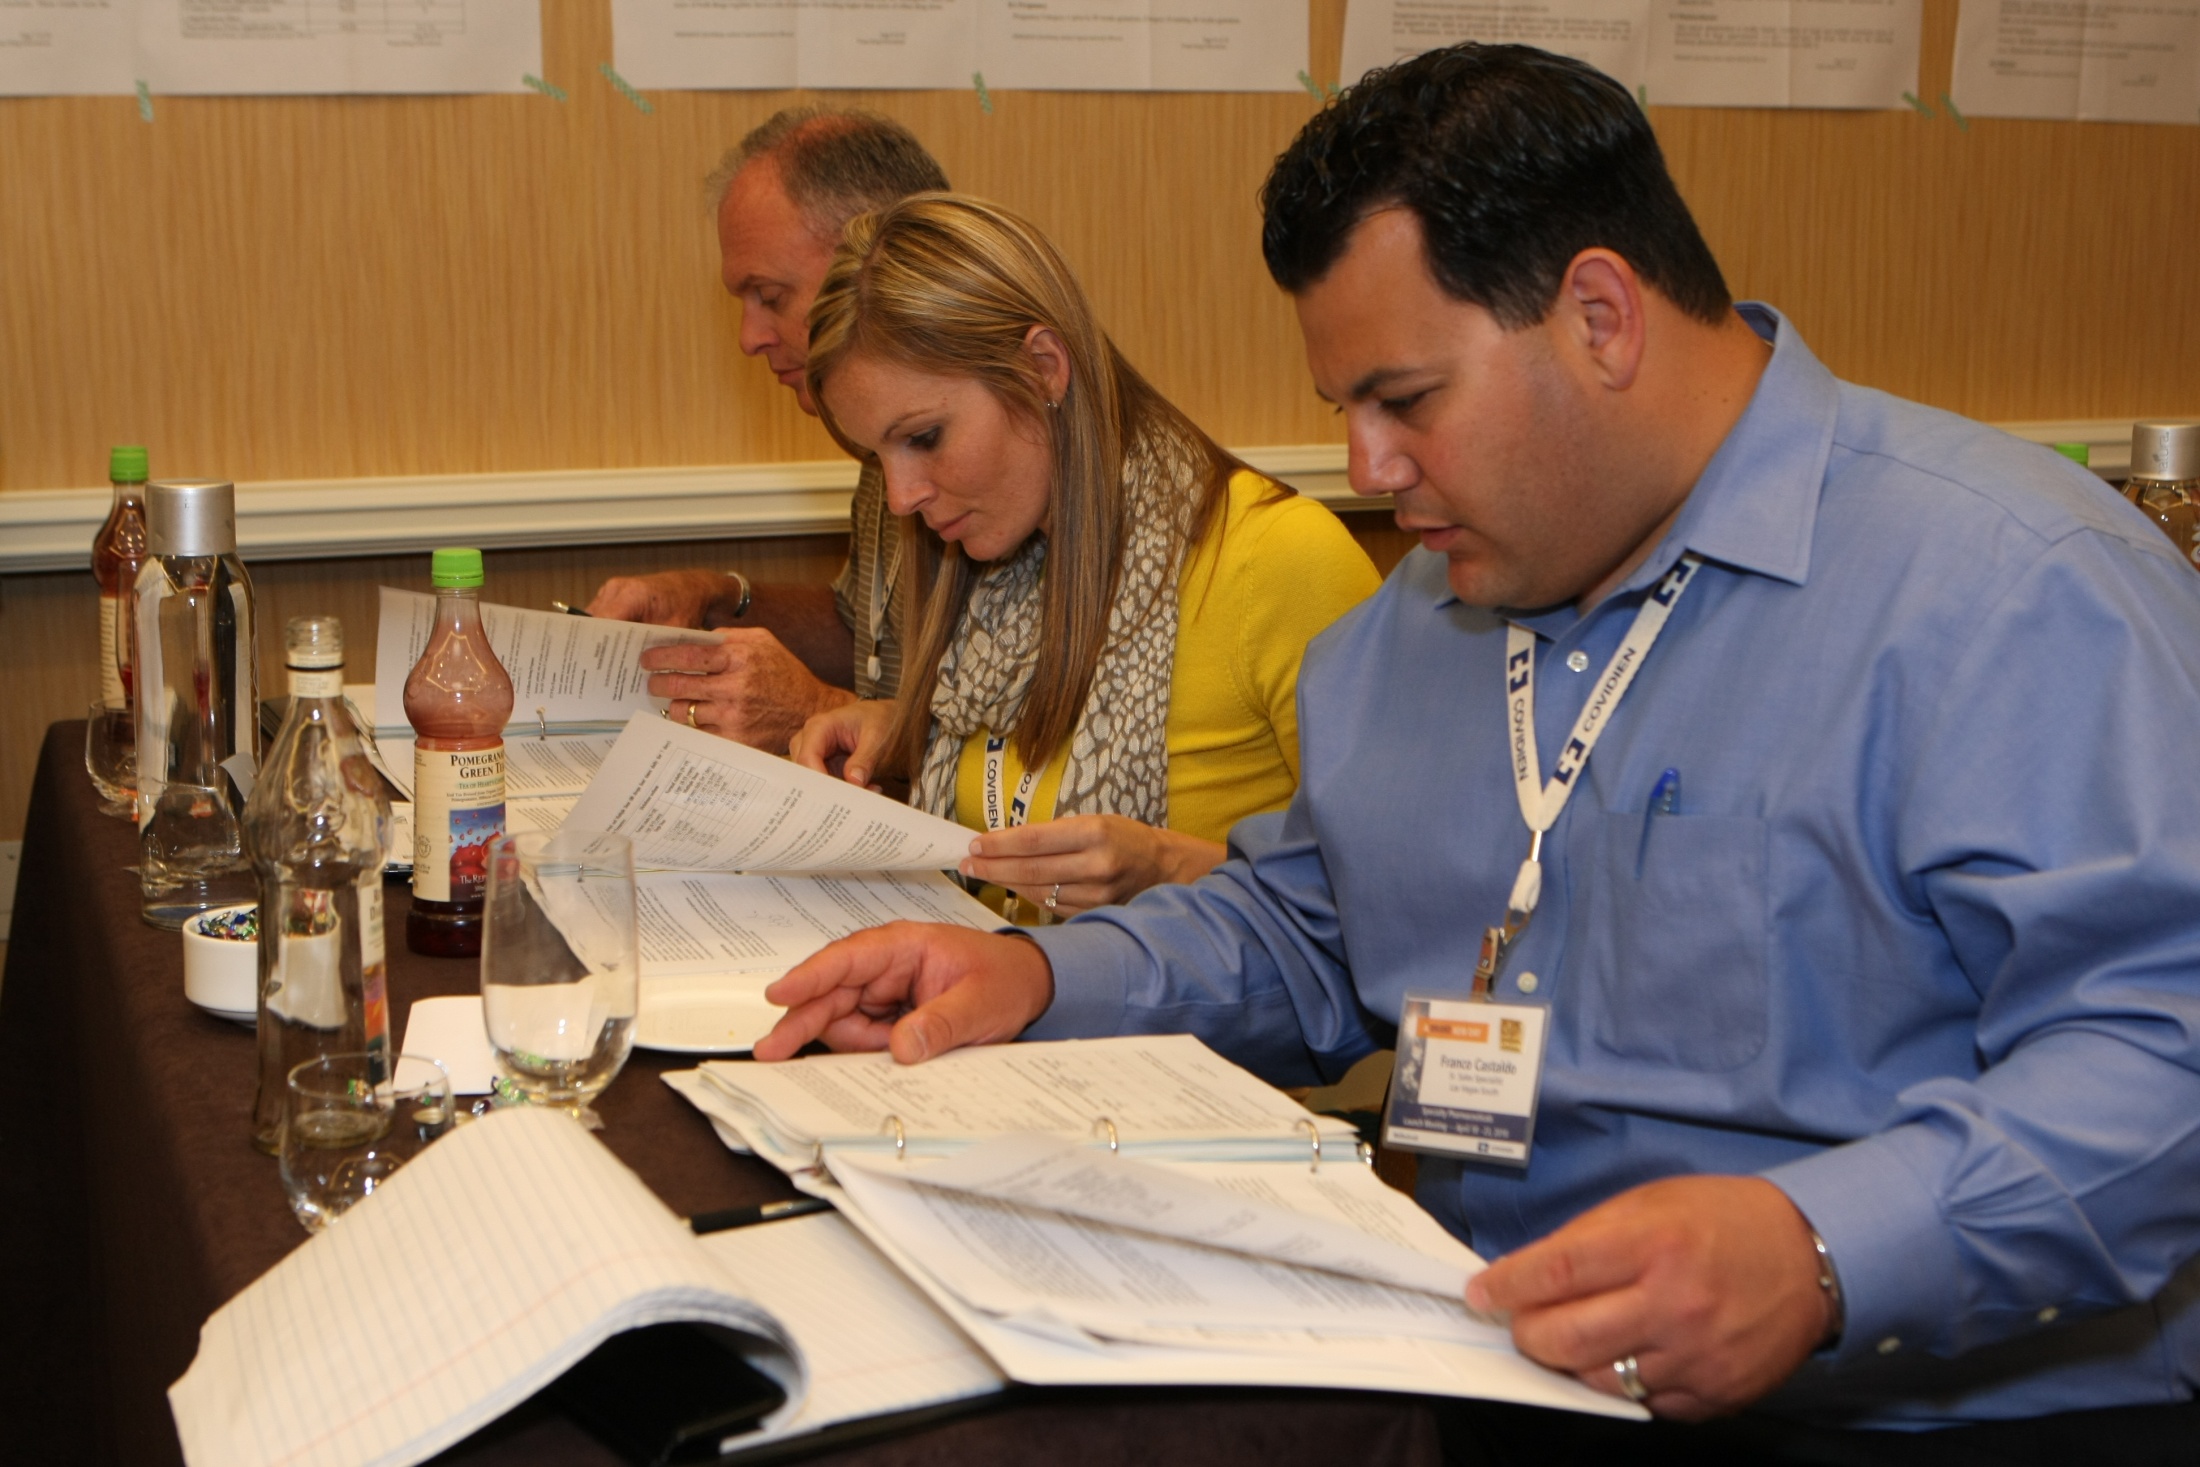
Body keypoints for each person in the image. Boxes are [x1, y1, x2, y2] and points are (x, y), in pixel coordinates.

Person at [753, 44, 2200, 1458]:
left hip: (1908, 1401)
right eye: (1345, 413)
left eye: (1408, 400)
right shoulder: (1420, 627)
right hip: (1462, 1351)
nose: (1370, 473)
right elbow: (1309, 927)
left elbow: (2159, 1056)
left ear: (1600, 316)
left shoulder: (2011, 587)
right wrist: (1041, 974)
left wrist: (1823, 1248)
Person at [789, 194, 1380, 919]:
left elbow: (1395, 897)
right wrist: (906, 736)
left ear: (1043, 368)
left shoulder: (1279, 559)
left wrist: (1173, 866)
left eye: (926, 437)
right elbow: (1013, 799)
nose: (903, 494)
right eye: (876, 455)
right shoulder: (991, 561)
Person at [586, 108, 948, 753]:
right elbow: (868, 638)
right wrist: (716, 601)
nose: (750, 338)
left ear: (869, 262)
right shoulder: (875, 437)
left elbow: (1029, 763)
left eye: (771, 296)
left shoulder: (991, 451)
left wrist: (819, 711)